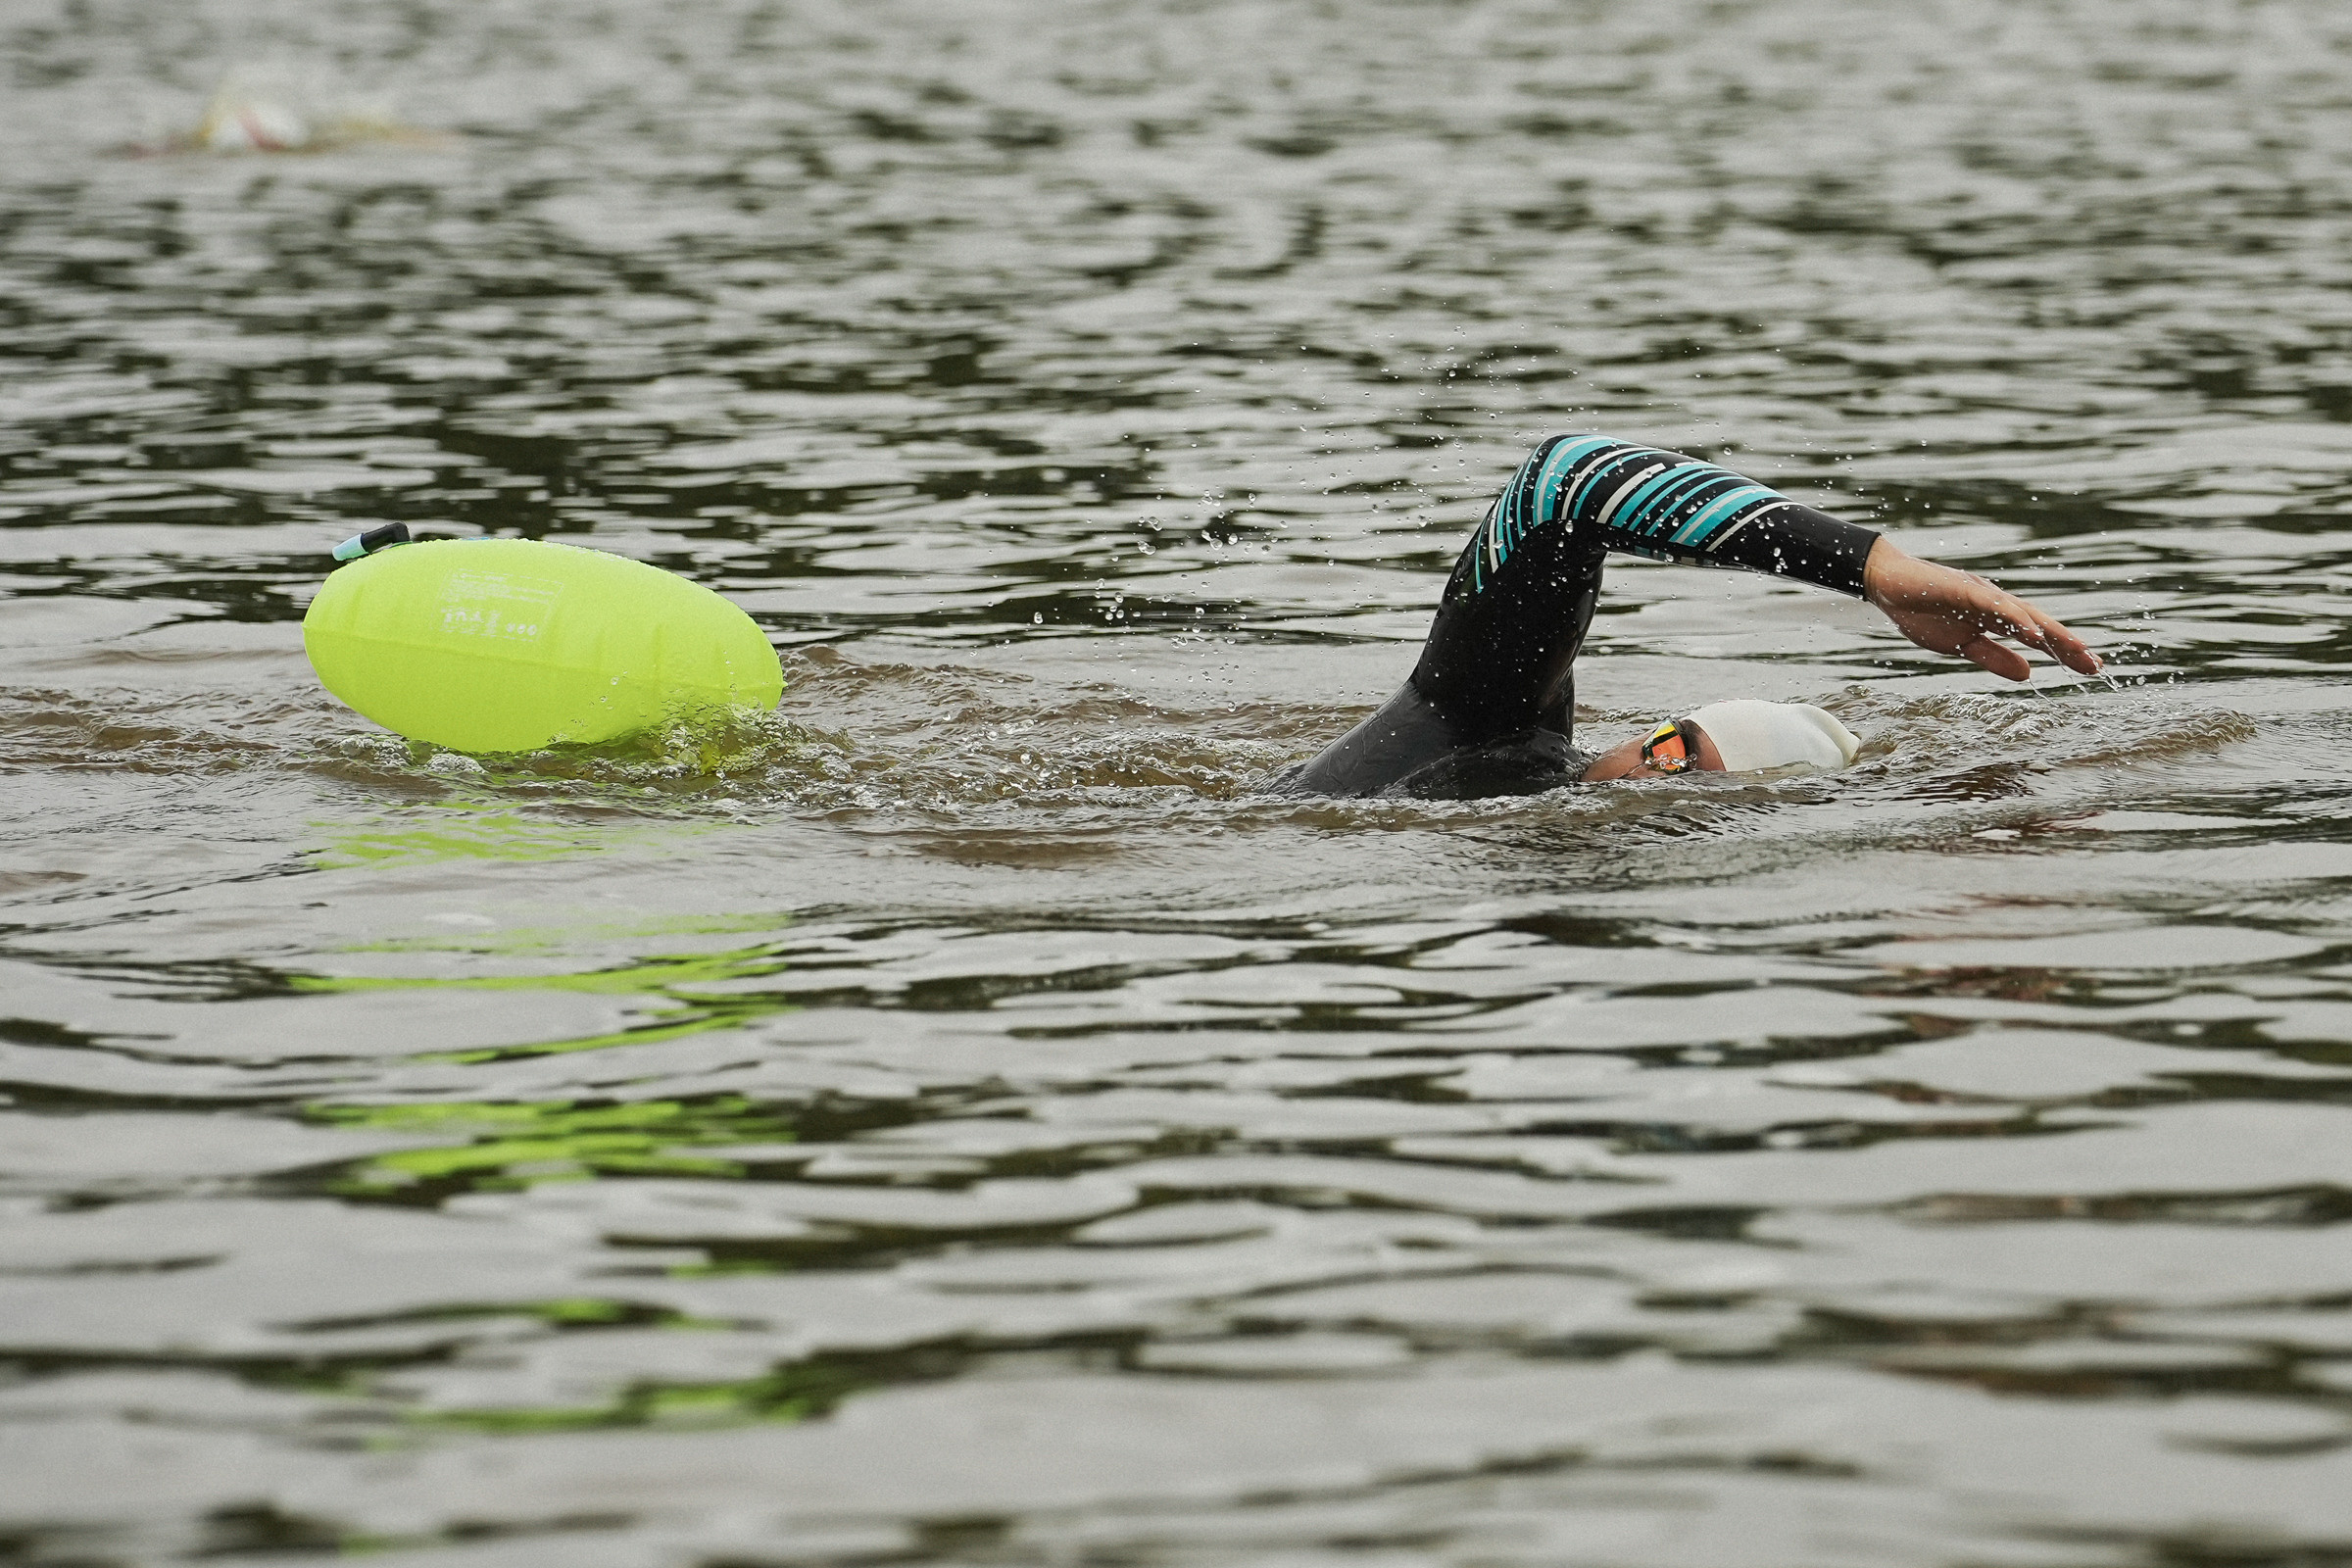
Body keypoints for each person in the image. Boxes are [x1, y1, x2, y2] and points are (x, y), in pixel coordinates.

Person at [1278, 434, 2100, 799]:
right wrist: (1872, 570)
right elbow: (1567, 479)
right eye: (1672, 748)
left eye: (1688, 783)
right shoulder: (1481, 727)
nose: (1650, 776)